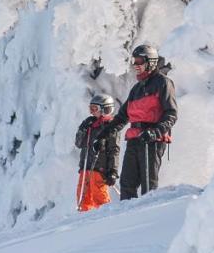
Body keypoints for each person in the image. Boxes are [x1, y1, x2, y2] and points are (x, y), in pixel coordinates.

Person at [107, 43, 177, 200]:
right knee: (127, 183)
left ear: (151, 62)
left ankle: (146, 217)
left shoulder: (163, 83)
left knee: (148, 183)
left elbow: (171, 114)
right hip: (135, 139)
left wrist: (156, 132)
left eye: (139, 62)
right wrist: (107, 131)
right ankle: (126, 216)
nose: (136, 66)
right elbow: (122, 116)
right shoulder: (136, 88)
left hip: (152, 139)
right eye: (134, 62)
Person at [73, 92, 120, 212]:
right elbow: (78, 144)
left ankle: (106, 217)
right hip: (86, 167)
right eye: (91, 108)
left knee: (100, 195)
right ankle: (84, 219)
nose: (92, 112)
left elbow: (114, 150)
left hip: (100, 168)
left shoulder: (110, 126)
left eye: (95, 108)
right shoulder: (89, 124)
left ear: (105, 109)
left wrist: (113, 171)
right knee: (83, 197)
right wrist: (82, 130)